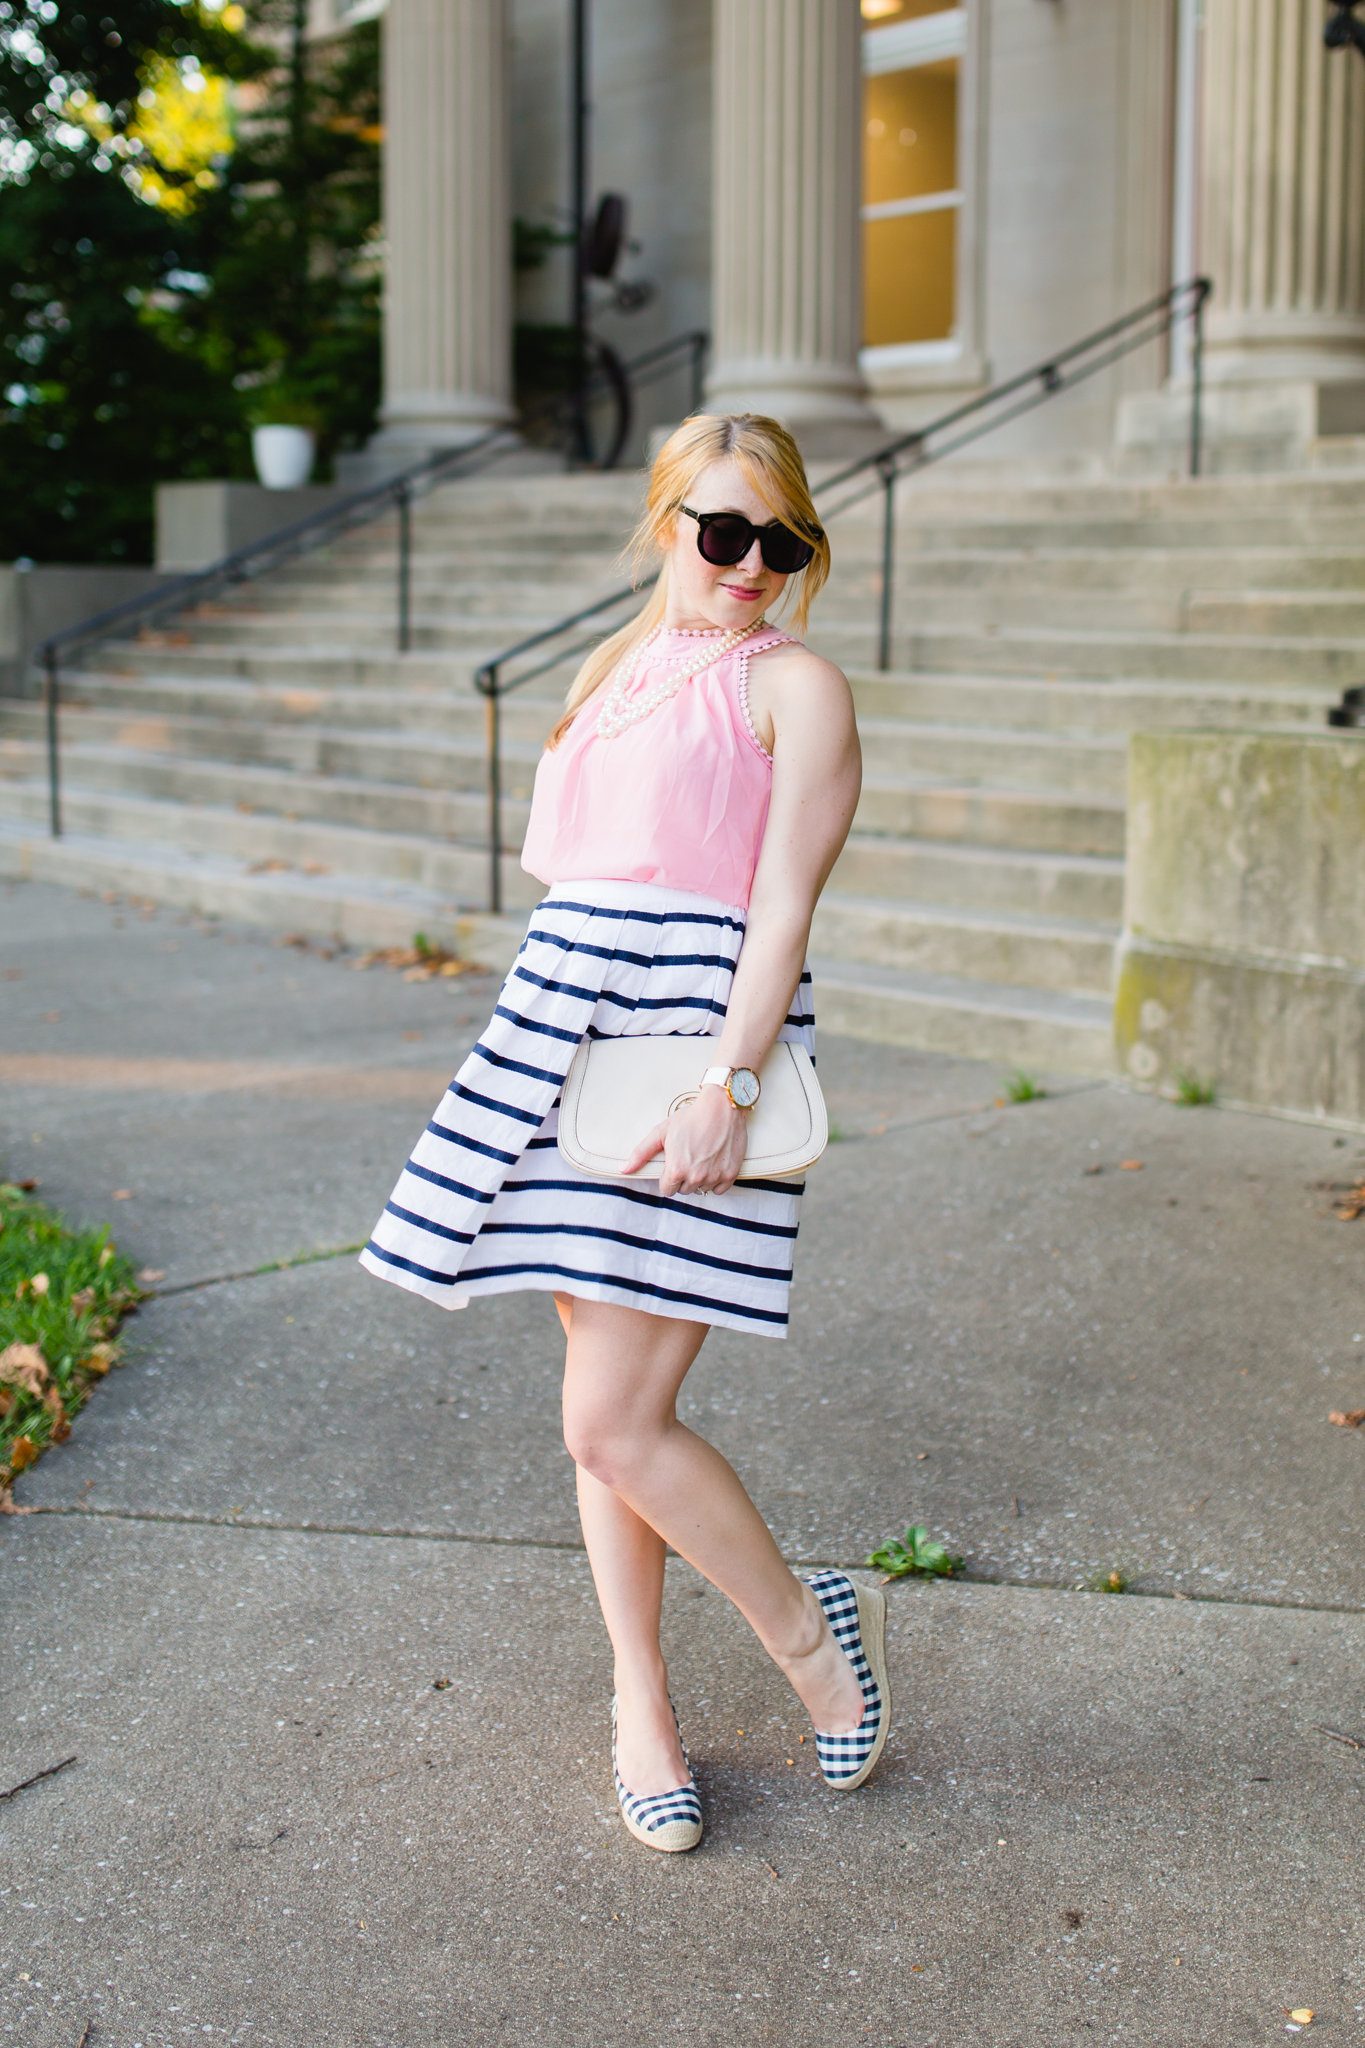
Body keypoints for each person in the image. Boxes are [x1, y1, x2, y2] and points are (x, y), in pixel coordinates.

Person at [360, 412, 889, 1853]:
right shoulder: (616, 670)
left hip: (685, 1047)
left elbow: (778, 907)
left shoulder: (797, 687)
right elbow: (579, 883)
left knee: (612, 1418)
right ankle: (639, 1702)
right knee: (604, 1425)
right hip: (563, 1040)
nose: (753, 566)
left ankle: (805, 1636)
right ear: (666, 524)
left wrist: (726, 1085)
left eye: (784, 542)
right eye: (724, 533)